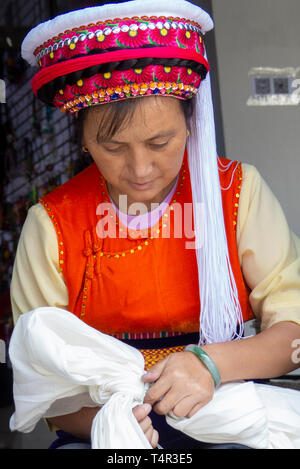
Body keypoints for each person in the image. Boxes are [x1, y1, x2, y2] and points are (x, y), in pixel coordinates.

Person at [10, 0, 300, 449]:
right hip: (106, 430)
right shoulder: (52, 225)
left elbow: (294, 332)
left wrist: (210, 364)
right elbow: (42, 384)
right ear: (84, 139)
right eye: (112, 147)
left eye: (160, 142)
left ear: (191, 121)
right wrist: (112, 426)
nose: (140, 168)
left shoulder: (238, 193)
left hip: (228, 414)